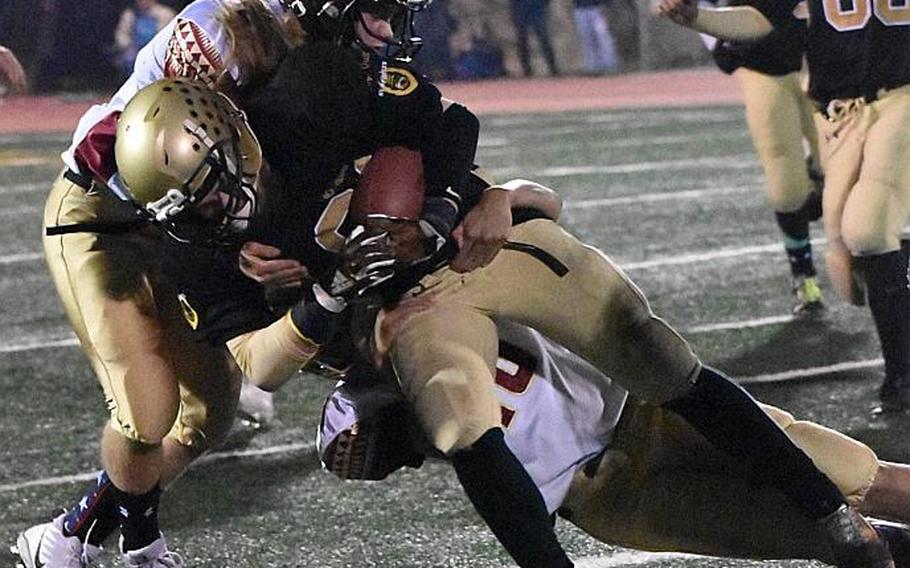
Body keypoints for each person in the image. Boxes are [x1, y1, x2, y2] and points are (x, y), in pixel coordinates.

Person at [15, 1, 301, 566]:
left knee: (210, 413)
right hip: (103, 215)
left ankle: (72, 533)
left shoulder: (303, 39)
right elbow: (121, 149)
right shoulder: (218, 34)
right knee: (147, 411)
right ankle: (144, 547)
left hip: (183, 222)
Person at [317, 318, 910, 566]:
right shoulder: (454, 435)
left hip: (651, 409)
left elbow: (533, 203)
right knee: (825, 539)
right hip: (613, 500)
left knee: (852, 474)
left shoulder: (439, 302)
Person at [657, 0, 910, 416]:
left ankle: (901, 377)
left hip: (899, 97)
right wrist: (698, 18)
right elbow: (761, 17)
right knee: (849, 265)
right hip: (841, 112)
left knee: (868, 227)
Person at [700, 1, 825, 314]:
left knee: (842, 165)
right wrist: (713, 32)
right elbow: (716, 27)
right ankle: (804, 273)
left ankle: (823, 185)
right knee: (787, 185)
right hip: (766, 67)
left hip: (830, 65)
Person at [113, 0, 176, 78]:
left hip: (157, 51)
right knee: (128, 60)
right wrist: (128, 45)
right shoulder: (130, 14)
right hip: (134, 50)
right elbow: (122, 34)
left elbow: (169, 37)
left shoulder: (166, 14)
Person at [509, 0, 560, 77]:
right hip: (520, 8)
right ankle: (527, 70)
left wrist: (544, 6)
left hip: (537, 8)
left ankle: (553, 68)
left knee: (543, 38)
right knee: (522, 40)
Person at [573, 0, 619, 75]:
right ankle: (593, 67)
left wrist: (607, 6)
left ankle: (609, 66)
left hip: (597, 8)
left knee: (602, 36)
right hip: (580, 9)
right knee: (586, 38)